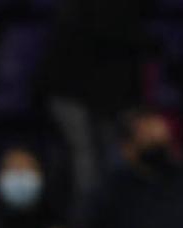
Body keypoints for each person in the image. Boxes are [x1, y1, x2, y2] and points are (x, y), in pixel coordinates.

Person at [39, 0, 151, 207]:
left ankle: (107, 220)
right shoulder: (89, 13)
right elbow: (105, 32)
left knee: (110, 159)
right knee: (86, 162)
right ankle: (86, 225)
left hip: (104, 93)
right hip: (70, 88)